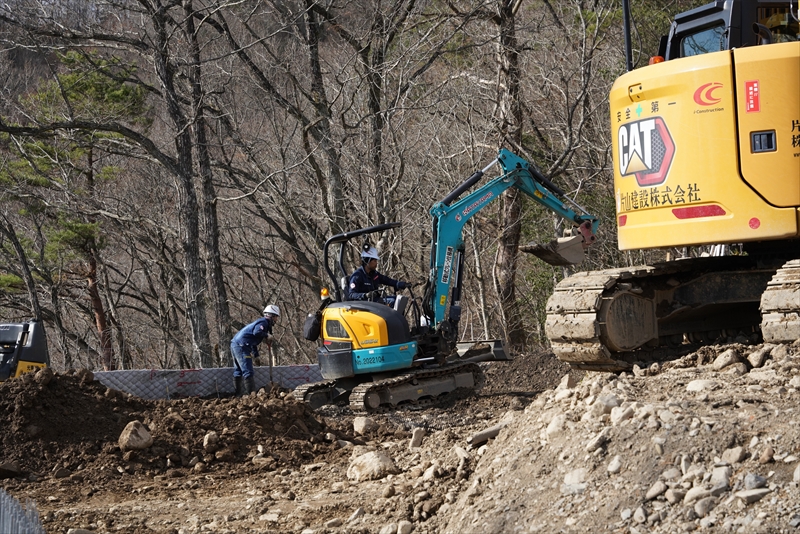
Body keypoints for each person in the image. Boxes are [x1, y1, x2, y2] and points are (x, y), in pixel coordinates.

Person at [231, 304, 280, 396]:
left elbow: (252, 340)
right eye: (276, 317)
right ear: (272, 316)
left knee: (238, 370)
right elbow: (256, 332)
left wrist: (256, 355)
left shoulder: (261, 323)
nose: (276, 320)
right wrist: (266, 335)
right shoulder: (264, 323)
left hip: (236, 344)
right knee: (247, 370)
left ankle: (238, 395)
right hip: (242, 345)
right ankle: (251, 396)